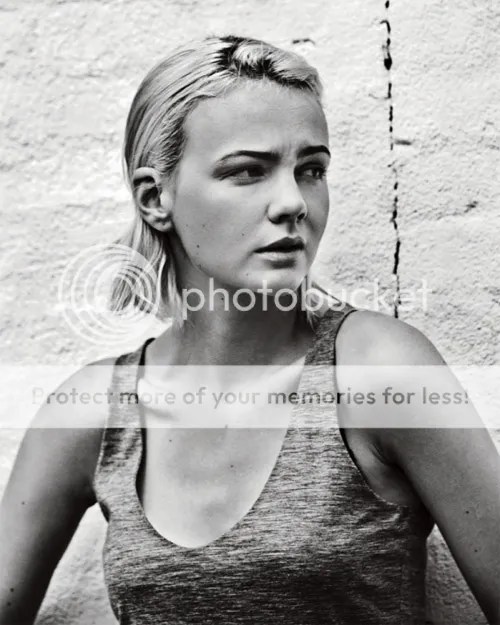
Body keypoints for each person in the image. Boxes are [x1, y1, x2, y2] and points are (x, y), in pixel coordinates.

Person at [0, 35, 498, 625]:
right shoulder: (94, 411)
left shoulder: (376, 373)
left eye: (311, 170)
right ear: (156, 197)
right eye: (247, 172)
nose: (293, 202)